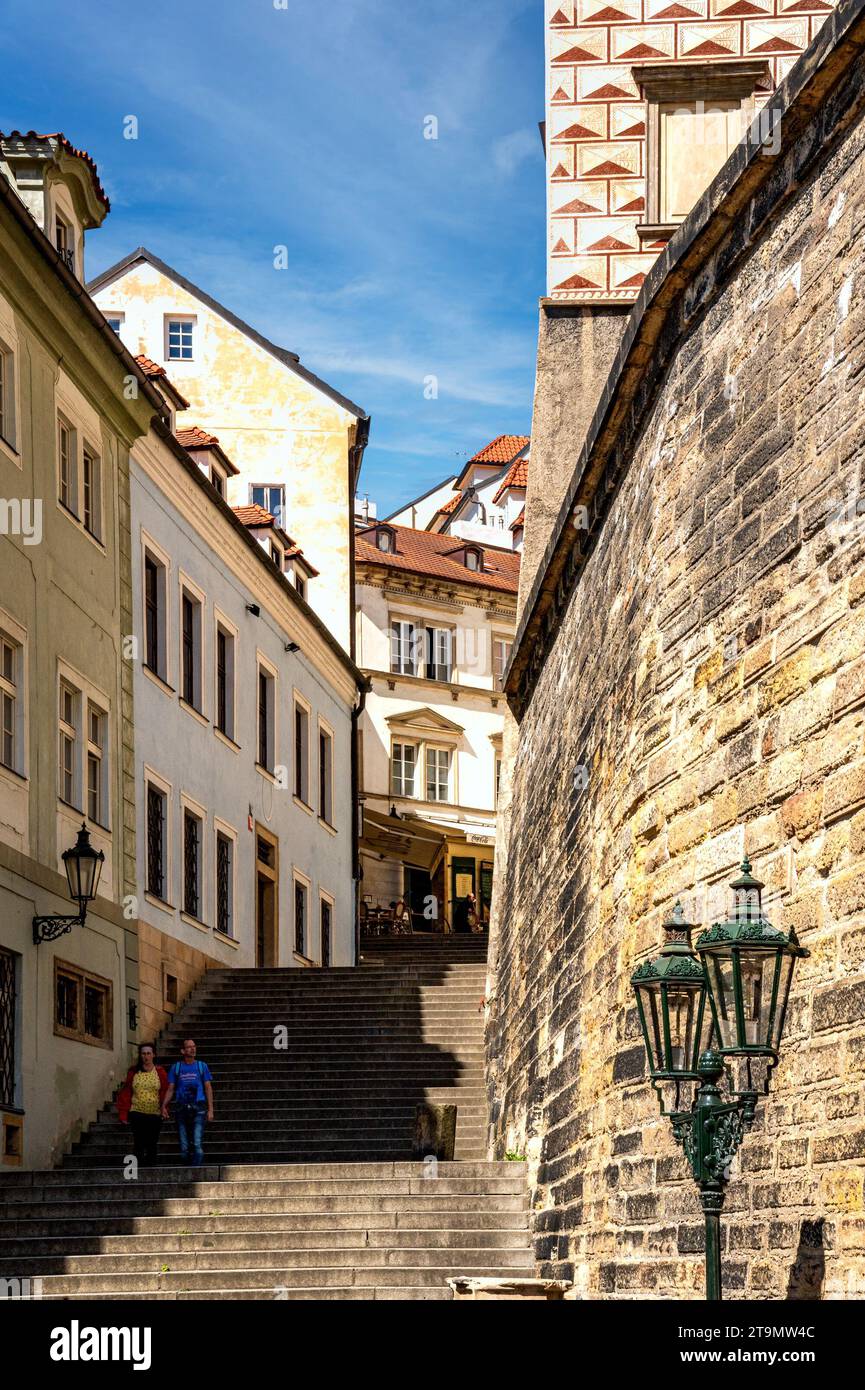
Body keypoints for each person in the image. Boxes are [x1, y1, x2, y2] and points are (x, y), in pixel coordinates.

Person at [162, 1039, 214, 1167]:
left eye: (194, 1046)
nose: (192, 1049)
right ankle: (187, 1170)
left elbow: (208, 1087)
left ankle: (195, 1171)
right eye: (189, 1047)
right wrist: (164, 1105)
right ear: (183, 1051)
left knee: (196, 1143)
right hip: (181, 1107)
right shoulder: (177, 1067)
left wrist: (211, 1109)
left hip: (199, 1107)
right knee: (184, 1147)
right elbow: (170, 1088)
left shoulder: (202, 1066)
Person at [116, 1043, 169, 1167]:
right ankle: (138, 1171)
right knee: (139, 1142)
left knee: (152, 1143)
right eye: (143, 1053)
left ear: (153, 1055)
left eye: (148, 1053)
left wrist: (164, 1107)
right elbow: (126, 1092)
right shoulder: (134, 1072)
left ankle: (150, 1169)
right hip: (137, 1112)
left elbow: (165, 1091)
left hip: (154, 1114)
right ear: (140, 1055)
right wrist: (123, 1113)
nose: (146, 1056)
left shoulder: (160, 1072)